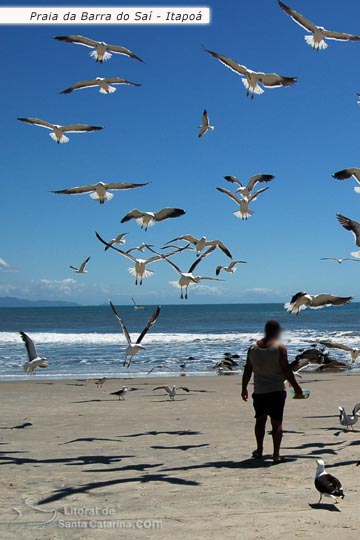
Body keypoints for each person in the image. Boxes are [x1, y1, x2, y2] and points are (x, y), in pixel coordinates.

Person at [241, 320, 303, 463]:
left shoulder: (252, 348)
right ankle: (276, 455)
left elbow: (247, 369)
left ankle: (259, 450)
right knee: (276, 423)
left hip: (259, 391)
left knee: (260, 421)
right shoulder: (279, 348)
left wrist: (244, 388)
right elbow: (286, 371)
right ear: (276, 331)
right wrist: (297, 387)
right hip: (276, 391)